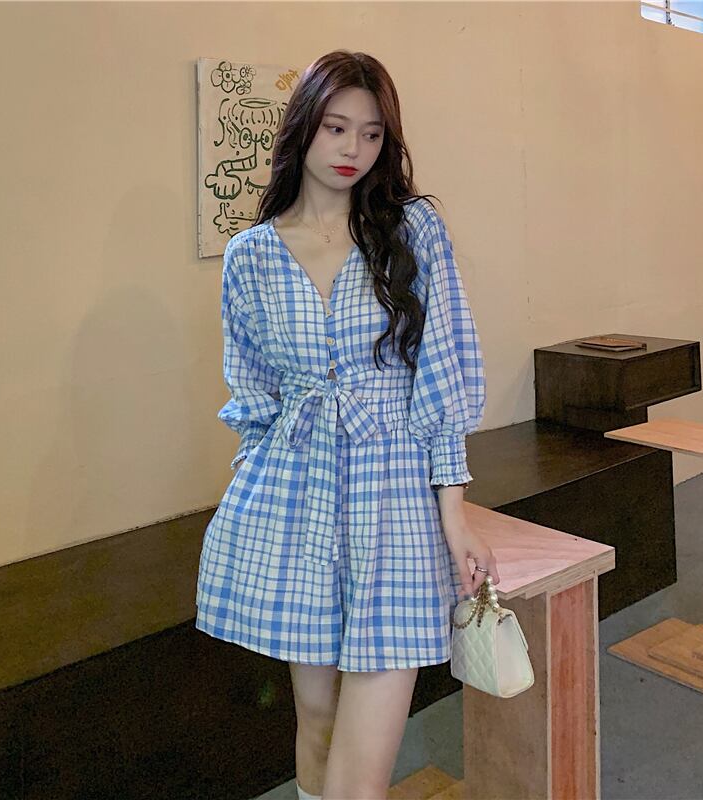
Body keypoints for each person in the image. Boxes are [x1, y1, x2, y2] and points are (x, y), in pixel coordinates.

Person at [195, 50, 500, 800]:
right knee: (319, 724)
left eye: (370, 134)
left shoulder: (413, 230)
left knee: (360, 773)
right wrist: (254, 506)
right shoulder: (250, 257)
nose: (353, 150)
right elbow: (254, 399)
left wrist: (454, 515)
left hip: (393, 504)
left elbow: (444, 376)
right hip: (293, 505)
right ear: (303, 126)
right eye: (336, 128)